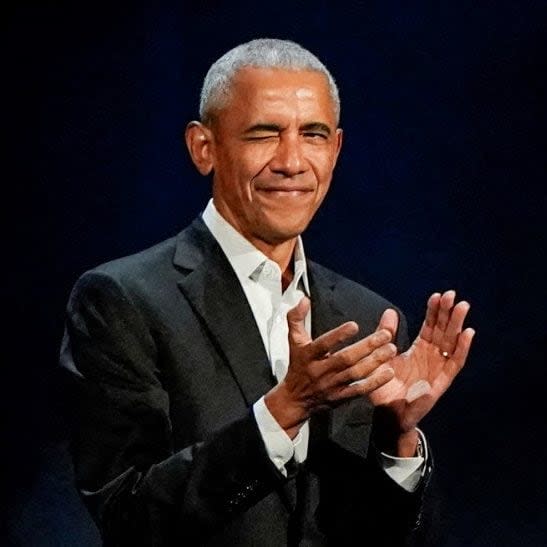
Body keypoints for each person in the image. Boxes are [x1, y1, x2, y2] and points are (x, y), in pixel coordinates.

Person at [60, 38, 474, 546]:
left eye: (314, 135)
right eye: (264, 134)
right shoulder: (121, 300)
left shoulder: (369, 318)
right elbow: (130, 520)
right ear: (203, 148)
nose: (293, 161)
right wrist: (283, 412)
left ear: (337, 149)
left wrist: (400, 442)